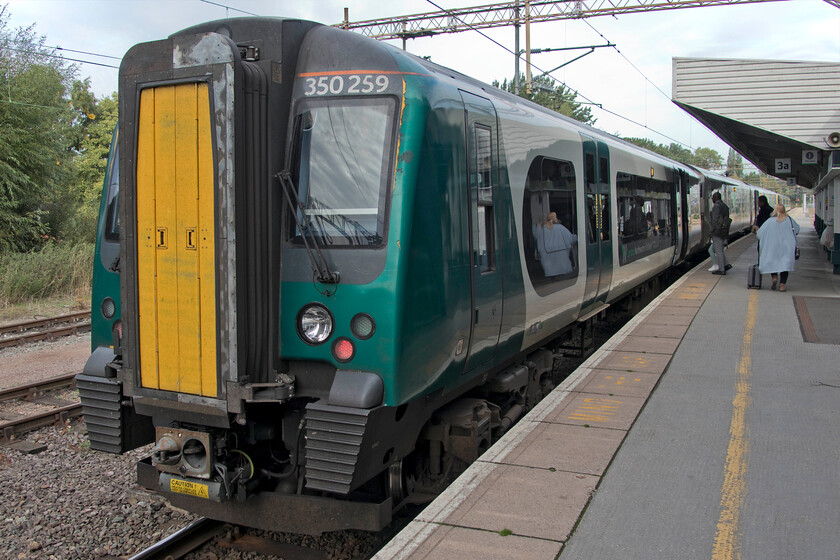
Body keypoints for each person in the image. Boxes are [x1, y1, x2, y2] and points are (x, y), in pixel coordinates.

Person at [756, 203, 800, 291]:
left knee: (773, 262)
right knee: (785, 265)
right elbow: (797, 230)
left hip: (772, 246)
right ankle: (782, 284)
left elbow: (760, 233)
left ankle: (774, 277)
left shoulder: (769, 221)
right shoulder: (789, 220)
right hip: (787, 246)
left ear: (775, 210)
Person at [533, 212, 577, 277]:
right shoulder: (560, 228)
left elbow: (537, 235)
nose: (556, 218)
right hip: (563, 266)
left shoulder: (541, 230)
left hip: (549, 265)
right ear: (552, 219)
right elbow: (571, 238)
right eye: (555, 217)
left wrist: (539, 224)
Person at [709, 192, 731, 275]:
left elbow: (714, 221)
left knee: (718, 250)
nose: (712, 199)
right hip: (724, 230)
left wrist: (711, 232)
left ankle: (722, 269)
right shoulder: (725, 206)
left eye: (713, 198)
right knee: (716, 249)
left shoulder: (716, 207)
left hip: (717, 231)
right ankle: (726, 265)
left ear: (715, 198)